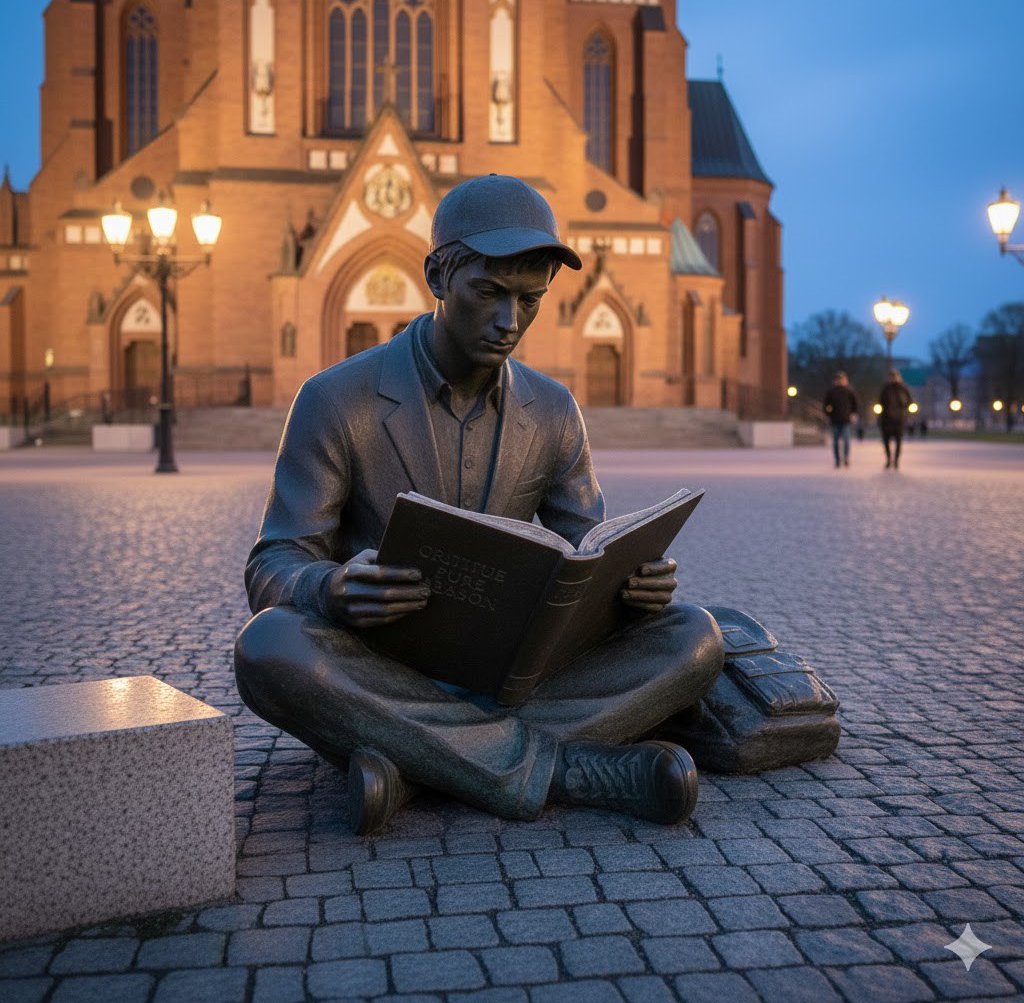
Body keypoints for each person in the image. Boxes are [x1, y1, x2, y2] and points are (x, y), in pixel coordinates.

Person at [234, 175, 724, 835]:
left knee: (693, 636)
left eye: (531, 300)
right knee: (269, 646)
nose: (510, 321)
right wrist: (333, 588)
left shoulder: (552, 410)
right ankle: (566, 770)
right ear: (438, 277)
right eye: (488, 293)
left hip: (511, 674)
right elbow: (274, 565)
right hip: (383, 670)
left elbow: (588, 551)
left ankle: (416, 765)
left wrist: (632, 585)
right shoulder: (335, 400)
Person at [878, 367, 913, 469]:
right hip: (887, 418)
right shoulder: (885, 388)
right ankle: (889, 459)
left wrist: (907, 409)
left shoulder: (903, 388)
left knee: (898, 441)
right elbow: (880, 402)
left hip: (899, 418)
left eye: (894, 376)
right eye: (891, 376)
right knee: (886, 441)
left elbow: (909, 401)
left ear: (898, 376)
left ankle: (896, 460)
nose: (893, 378)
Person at [822, 371, 859, 468]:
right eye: (838, 379)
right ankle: (837, 460)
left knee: (846, 440)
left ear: (845, 380)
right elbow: (826, 405)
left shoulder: (849, 392)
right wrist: (828, 414)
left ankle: (846, 458)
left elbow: (855, 405)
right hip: (834, 420)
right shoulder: (831, 392)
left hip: (845, 420)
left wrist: (854, 414)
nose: (840, 381)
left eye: (842, 379)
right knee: (835, 441)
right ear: (835, 381)